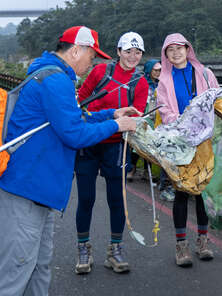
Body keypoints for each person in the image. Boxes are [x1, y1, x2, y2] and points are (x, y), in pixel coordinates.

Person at [0, 26, 138, 295]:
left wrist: (111, 115)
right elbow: (74, 134)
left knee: (38, 267)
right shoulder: (56, 81)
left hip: (38, 190)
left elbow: (73, 120)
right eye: (91, 55)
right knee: (15, 274)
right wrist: (118, 126)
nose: (92, 63)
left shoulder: (52, 75)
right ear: (76, 50)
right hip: (27, 190)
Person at [74, 31, 149, 274]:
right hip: (89, 140)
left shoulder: (141, 82)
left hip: (117, 144)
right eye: (128, 51)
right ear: (118, 52)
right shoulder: (100, 72)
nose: (133, 56)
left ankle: (115, 250)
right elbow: (81, 100)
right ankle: (83, 248)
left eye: (138, 52)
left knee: (117, 199)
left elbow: (136, 115)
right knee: (86, 198)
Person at [156, 32, 219, 267]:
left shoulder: (204, 73)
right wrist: (184, 123)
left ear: (187, 48)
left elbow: (218, 100)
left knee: (203, 191)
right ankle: (181, 246)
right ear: (166, 54)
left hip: (204, 142)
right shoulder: (164, 80)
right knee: (182, 192)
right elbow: (164, 110)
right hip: (180, 142)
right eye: (170, 49)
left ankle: (203, 241)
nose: (175, 52)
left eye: (179, 47)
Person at [129, 59, 175, 201]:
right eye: (155, 70)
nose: (158, 73)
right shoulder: (142, 83)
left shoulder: (163, 84)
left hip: (158, 118)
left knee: (154, 146)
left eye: (160, 70)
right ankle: (132, 168)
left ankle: (147, 172)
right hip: (144, 115)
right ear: (149, 70)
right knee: (139, 145)